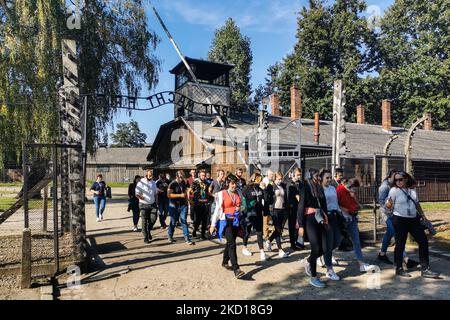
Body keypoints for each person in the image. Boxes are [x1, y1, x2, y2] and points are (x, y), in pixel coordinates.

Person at [386, 171, 440, 279]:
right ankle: (399, 268)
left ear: (406, 179)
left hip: (413, 219)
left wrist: (423, 215)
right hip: (400, 219)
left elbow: (416, 203)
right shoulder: (394, 190)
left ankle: (425, 269)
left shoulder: (412, 190)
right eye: (396, 180)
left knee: (423, 241)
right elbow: (388, 205)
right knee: (400, 244)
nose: (398, 182)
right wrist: (388, 204)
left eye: (400, 179)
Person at [377, 169, 419, 268]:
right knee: (397, 233)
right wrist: (391, 208)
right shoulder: (384, 187)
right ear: (390, 177)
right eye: (395, 178)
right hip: (387, 213)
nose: (398, 181)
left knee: (390, 233)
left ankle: (382, 254)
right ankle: (405, 259)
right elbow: (382, 202)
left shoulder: (396, 186)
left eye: (400, 179)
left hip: (394, 213)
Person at [336, 178, 377, 272]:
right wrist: (344, 209)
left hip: (352, 218)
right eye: (354, 189)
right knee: (336, 241)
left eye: (355, 190)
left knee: (356, 241)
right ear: (349, 185)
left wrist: (355, 201)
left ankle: (361, 263)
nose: (355, 191)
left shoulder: (351, 192)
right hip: (342, 220)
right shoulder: (339, 190)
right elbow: (335, 204)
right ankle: (321, 257)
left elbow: (355, 203)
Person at [297, 168, 328, 288]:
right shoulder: (305, 187)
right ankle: (313, 278)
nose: (319, 178)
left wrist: (326, 219)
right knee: (315, 247)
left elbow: (324, 204)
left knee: (324, 248)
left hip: (320, 218)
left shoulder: (320, 188)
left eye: (319, 176)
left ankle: (309, 260)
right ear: (310, 176)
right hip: (309, 220)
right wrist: (300, 225)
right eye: (316, 176)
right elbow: (301, 207)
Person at [210, 174, 246, 279]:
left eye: (235, 183)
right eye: (232, 183)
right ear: (227, 184)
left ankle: (225, 261)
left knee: (230, 243)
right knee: (232, 244)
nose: (234, 186)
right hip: (225, 222)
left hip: (235, 221)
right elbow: (217, 210)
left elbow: (243, 206)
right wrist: (212, 224)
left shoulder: (239, 192)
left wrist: (240, 208)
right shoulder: (222, 194)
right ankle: (236, 269)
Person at [319, 169, 342, 281]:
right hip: (326, 218)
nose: (329, 179)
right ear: (321, 179)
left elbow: (336, 203)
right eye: (327, 178)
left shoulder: (333, 188)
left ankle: (319, 254)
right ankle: (329, 270)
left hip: (335, 216)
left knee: (337, 240)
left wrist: (341, 212)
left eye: (330, 177)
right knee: (328, 245)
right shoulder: (319, 190)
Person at [241, 173, 267, 261]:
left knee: (259, 232)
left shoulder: (260, 189)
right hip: (249, 214)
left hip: (259, 213)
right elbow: (243, 201)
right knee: (247, 231)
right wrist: (249, 205)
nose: (259, 181)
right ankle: (244, 247)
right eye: (258, 179)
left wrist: (265, 190)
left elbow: (265, 199)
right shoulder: (246, 189)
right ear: (253, 179)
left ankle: (262, 251)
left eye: (260, 179)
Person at [265, 172, 289, 258]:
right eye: (279, 179)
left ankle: (269, 240)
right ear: (275, 179)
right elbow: (267, 196)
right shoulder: (271, 187)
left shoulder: (282, 186)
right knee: (278, 229)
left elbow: (284, 197)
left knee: (280, 229)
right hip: (274, 210)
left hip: (282, 209)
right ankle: (280, 250)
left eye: (281, 179)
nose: (280, 180)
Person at [167, 170, 194, 245]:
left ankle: (187, 238)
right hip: (173, 205)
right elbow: (168, 195)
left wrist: (188, 197)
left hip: (183, 205)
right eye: (180, 177)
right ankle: (170, 235)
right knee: (173, 221)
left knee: (184, 221)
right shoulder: (172, 184)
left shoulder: (183, 182)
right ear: (176, 177)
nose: (181, 178)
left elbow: (185, 191)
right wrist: (179, 195)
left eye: (182, 177)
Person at [135, 170, 158, 243]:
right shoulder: (140, 183)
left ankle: (148, 229)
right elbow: (137, 194)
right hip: (143, 204)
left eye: (152, 175)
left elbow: (155, 193)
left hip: (152, 204)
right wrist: (143, 198)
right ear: (146, 175)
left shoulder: (154, 183)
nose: (151, 177)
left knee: (153, 219)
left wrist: (156, 201)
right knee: (144, 221)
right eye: (149, 175)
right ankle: (146, 237)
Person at [286, 168, 305, 251]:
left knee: (299, 225)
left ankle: (299, 243)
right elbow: (288, 197)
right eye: (297, 175)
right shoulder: (290, 184)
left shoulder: (301, 184)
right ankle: (292, 244)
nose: (299, 176)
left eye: (300, 175)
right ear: (293, 174)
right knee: (292, 226)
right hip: (292, 208)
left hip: (300, 208)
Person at [191, 169, 211, 240]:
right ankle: (194, 231)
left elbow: (208, 192)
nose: (203, 177)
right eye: (202, 175)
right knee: (198, 220)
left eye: (204, 175)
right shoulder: (195, 182)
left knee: (205, 220)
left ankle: (203, 234)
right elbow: (191, 191)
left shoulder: (207, 183)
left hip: (205, 203)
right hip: (198, 204)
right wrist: (191, 200)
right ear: (199, 175)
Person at [261, 169, 275, 242]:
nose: (272, 176)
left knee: (272, 221)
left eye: (272, 175)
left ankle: (272, 235)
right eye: (271, 175)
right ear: (267, 175)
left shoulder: (271, 182)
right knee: (266, 221)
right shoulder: (265, 181)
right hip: (266, 204)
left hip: (271, 203)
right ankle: (266, 236)